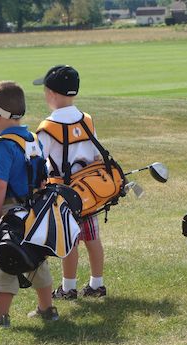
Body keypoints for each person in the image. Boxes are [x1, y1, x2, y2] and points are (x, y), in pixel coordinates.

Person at [0, 81, 58, 328]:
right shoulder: (32, 138)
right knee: (36, 256)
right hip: (32, 210)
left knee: (3, 258)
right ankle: (47, 308)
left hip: (8, 211)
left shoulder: (2, 145)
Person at [33, 65, 107, 299]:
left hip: (63, 193)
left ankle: (68, 288)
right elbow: (96, 155)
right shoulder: (87, 119)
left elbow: (38, 162)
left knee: (69, 241)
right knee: (92, 237)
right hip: (90, 190)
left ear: (52, 94)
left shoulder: (47, 127)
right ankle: (97, 284)